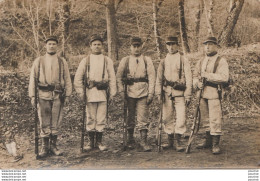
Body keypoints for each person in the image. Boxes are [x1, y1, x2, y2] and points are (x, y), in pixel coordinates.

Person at [29, 36, 72, 158]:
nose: (52, 46)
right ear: (45, 46)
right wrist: (33, 96)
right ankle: (44, 147)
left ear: (57, 46)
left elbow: (67, 78)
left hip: (57, 95)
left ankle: (53, 146)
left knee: (56, 121)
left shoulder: (62, 61)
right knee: (43, 121)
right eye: (49, 44)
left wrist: (68, 94)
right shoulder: (39, 61)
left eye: (54, 44)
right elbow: (33, 79)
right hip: (42, 95)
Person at [74, 34, 117, 151]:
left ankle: (99, 141)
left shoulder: (107, 60)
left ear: (102, 46)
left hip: (103, 93)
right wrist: (81, 93)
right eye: (94, 44)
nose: (97, 46)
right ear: (90, 46)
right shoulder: (85, 61)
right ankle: (90, 142)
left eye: (99, 44)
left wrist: (113, 92)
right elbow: (77, 78)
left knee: (101, 118)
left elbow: (112, 77)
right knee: (90, 117)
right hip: (89, 93)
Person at [116, 37, 155, 152]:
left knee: (143, 116)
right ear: (130, 47)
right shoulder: (125, 60)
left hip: (143, 91)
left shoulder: (147, 60)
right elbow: (118, 77)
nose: (136, 49)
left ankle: (143, 140)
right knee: (130, 116)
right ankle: (130, 139)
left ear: (142, 46)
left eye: (138, 46)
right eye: (134, 46)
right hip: (129, 92)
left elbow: (152, 77)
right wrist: (121, 91)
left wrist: (151, 93)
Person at [155, 36, 192, 152]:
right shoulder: (163, 61)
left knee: (181, 118)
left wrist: (188, 94)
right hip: (166, 92)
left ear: (177, 45)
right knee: (167, 117)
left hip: (180, 93)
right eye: (168, 44)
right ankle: (170, 140)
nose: (171, 47)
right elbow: (159, 79)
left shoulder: (183, 60)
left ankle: (178, 140)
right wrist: (158, 93)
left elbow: (189, 79)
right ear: (166, 46)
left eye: (173, 44)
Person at [193, 36, 229, 154]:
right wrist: (197, 83)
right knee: (205, 118)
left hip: (214, 93)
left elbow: (224, 77)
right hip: (202, 93)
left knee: (215, 118)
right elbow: (195, 75)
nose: (207, 47)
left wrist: (207, 75)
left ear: (216, 46)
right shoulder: (201, 61)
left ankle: (215, 144)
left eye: (210, 44)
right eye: (206, 45)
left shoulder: (221, 61)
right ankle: (207, 140)